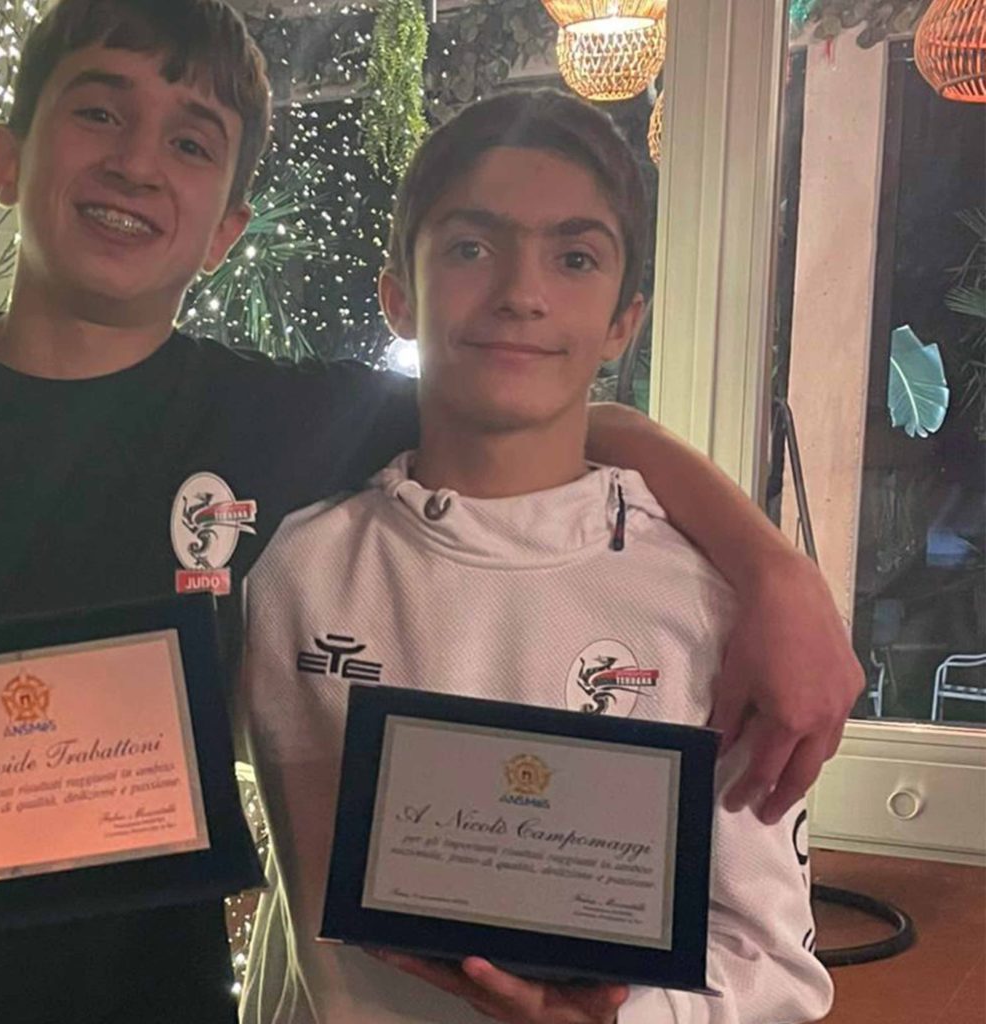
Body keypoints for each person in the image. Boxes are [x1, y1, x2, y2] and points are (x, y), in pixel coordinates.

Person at [0, 2, 860, 1021]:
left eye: (191, 141)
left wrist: (775, 575)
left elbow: (534, 403)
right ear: (6, 159)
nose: (138, 164)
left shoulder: (278, 422)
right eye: (99, 112)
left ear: (227, 231)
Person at [238, 89, 835, 1024]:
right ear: (399, 295)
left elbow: (776, 965)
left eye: (575, 257)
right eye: (471, 249)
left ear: (624, 320)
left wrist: (619, 1019)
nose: (522, 293)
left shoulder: (714, 608)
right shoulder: (291, 570)